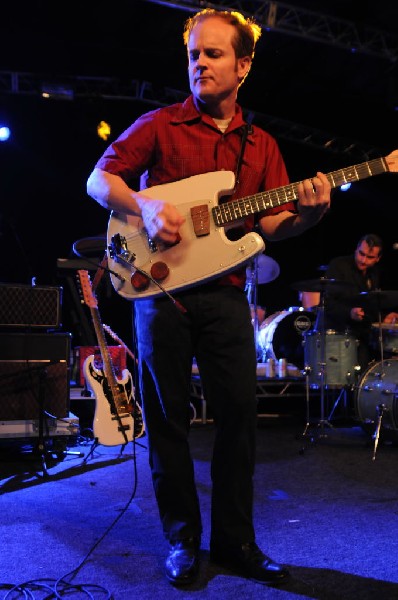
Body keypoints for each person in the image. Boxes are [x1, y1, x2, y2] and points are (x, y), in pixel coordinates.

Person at [86, 8, 331, 587]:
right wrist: (143, 205)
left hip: (224, 297)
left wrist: (311, 215)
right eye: (194, 54)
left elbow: (271, 227)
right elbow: (99, 180)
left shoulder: (263, 145)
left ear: (243, 65)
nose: (199, 63)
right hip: (160, 293)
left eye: (213, 54)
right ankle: (182, 541)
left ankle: (236, 540)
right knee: (169, 421)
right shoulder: (162, 125)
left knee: (240, 420)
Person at [323, 233, 398, 373]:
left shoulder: (374, 273)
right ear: (356, 249)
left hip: (362, 335)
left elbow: (371, 305)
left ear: (378, 258)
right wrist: (349, 313)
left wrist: (384, 318)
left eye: (369, 257)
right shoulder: (339, 266)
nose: (363, 260)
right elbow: (328, 305)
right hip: (338, 335)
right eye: (361, 254)